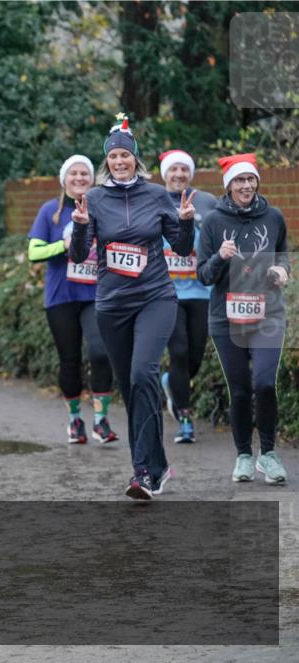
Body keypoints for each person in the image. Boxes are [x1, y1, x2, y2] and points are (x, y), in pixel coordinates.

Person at [69, 114, 196, 501]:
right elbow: (78, 255)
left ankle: (142, 473)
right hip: (112, 304)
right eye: (114, 157)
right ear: (107, 161)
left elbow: (182, 248)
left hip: (155, 297)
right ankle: (156, 468)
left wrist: (186, 222)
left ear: (135, 159)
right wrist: (78, 226)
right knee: (130, 386)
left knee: (143, 374)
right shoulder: (94, 199)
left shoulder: (157, 194)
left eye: (126, 155)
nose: (120, 161)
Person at [197, 154, 290, 484]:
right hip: (226, 319)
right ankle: (244, 457)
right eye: (240, 180)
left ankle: (268, 454)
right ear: (228, 186)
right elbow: (204, 275)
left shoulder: (274, 217)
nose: (247, 185)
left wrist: (282, 272)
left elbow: (283, 258)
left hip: (269, 315)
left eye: (251, 179)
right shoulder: (212, 222)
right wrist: (220, 257)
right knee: (239, 391)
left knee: (264, 384)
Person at [29, 155, 118, 446]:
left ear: (92, 180)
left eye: (85, 174)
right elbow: (34, 252)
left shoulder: (101, 210)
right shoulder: (50, 212)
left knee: (101, 352)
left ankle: (101, 421)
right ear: (64, 179)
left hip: (95, 294)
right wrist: (63, 245)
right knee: (69, 361)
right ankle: (74, 420)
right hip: (62, 296)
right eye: (74, 174)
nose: (79, 179)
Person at [156, 150, 219, 444]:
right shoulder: (153, 200)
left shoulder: (207, 201)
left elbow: (222, 233)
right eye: (173, 169)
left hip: (200, 290)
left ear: (190, 173)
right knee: (178, 351)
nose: (178, 174)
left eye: (184, 169)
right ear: (164, 173)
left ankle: (171, 382)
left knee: (193, 355)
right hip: (165, 292)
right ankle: (185, 419)